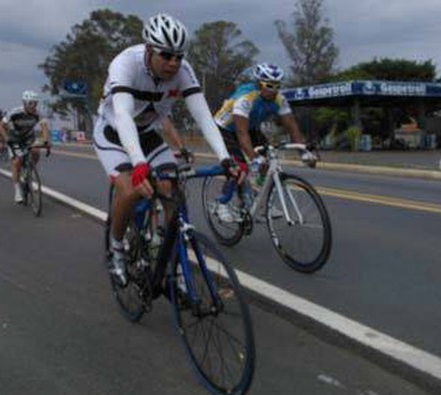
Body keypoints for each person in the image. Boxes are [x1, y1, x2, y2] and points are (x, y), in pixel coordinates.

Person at [92, 12, 240, 284]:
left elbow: (204, 116)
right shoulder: (125, 64)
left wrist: (225, 158)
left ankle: (174, 257)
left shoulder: (183, 71)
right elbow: (123, 115)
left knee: (171, 188)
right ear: (149, 49)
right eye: (166, 55)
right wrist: (137, 162)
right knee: (129, 189)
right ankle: (116, 249)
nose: (174, 63)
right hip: (113, 132)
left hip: (147, 133)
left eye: (179, 56)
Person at [213, 62, 315, 222]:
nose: (274, 90)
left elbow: (292, 127)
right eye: (269, 85)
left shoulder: (279, 100)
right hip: (225, 128)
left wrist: (303, 151)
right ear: (259, 84)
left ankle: (257, 200)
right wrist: (254, 158)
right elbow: (241, 133)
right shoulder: (246, 97)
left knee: (268, 161)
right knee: (240, 167)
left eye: (277, 86)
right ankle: (222, 203)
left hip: (250, 127)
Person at [0, 90, 51, 203]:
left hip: (28, 137)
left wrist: (46, 141)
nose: (33, 106)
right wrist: (7, 139)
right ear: (24, 103)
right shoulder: (15, 112)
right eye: (30, 103)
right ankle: (17, 191)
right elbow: (0, 126)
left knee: (36, 151)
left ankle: (29, 171)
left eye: (35, 103)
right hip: (14, 138)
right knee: (17, 161)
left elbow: (44, 127)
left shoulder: (38, 113)